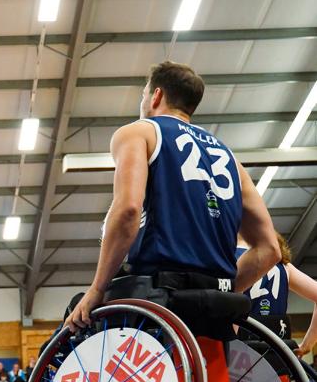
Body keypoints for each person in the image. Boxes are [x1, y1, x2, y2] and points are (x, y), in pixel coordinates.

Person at [66, 61, 279, 331]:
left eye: (143, 94)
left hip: (159, 296)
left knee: (75, 314)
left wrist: (97, 288)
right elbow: (270, 249)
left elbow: (128, 210)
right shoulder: (229, 158)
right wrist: (219, 291)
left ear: (156, 95)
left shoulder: (139, 132)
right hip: (217, 307)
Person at [238, 232, 317, 357]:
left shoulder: (228, 258)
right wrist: (307, 345)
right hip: (277, 354)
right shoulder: (284, 267)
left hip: (240, 352)